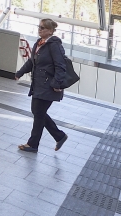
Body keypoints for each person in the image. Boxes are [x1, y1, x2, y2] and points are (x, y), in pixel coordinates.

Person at [15, 18, 70, 153]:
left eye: (43, 28)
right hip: (38, 84)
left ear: (50, 31)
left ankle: (33, 144)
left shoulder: (54, 45)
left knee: (38, 113)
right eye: (39, 27)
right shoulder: (39, 44)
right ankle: (59, 136)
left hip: (49, 86)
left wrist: (57, 83)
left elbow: (60, 65)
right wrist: (20, 72)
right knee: (38, 112)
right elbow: (31, 62)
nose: (40, 29)